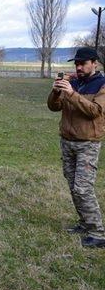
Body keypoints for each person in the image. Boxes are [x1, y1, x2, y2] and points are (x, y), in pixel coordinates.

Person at [47, 47, 105, 248]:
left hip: (87, 143)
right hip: (67, 141)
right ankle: (84, 223)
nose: (78, 67)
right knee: (73, 186)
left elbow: (95, 111)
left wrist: (71, 94)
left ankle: (98, 233)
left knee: (83, 189)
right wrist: (56, 92)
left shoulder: (102, 84)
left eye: (83, 64)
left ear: (94, 63)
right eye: (76, 64)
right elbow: (54, 107)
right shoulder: (72, 82)